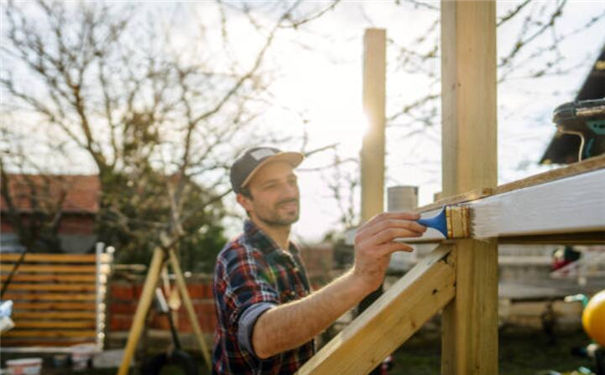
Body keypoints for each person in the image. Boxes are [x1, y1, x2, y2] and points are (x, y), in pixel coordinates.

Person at [212, 146, 426, 374]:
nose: (288, 192)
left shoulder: (288, 252)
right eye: (271, 186)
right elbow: (264, 337)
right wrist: (360, 278)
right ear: (245, 201)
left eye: (291, 181)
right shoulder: (239, 255)